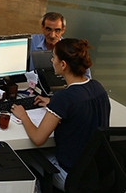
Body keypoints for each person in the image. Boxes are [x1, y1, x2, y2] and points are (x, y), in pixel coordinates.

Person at [11, 39, 110, 191]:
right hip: (95, 173)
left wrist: (23, 116)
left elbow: (38, 139)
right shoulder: (98, 87)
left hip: (70, 176)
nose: (51, 61)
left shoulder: (64, 98)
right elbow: (79, 107)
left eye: (53, 57)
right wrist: (53, 103)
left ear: (63, 64)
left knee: (21, 153)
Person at [31, 12, 91, 78]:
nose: (52, 35)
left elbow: (86, 78)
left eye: (57, 30)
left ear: (63, 30)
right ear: (42, 27)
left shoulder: (72, 48)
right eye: (48, 29)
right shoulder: (31, 41)